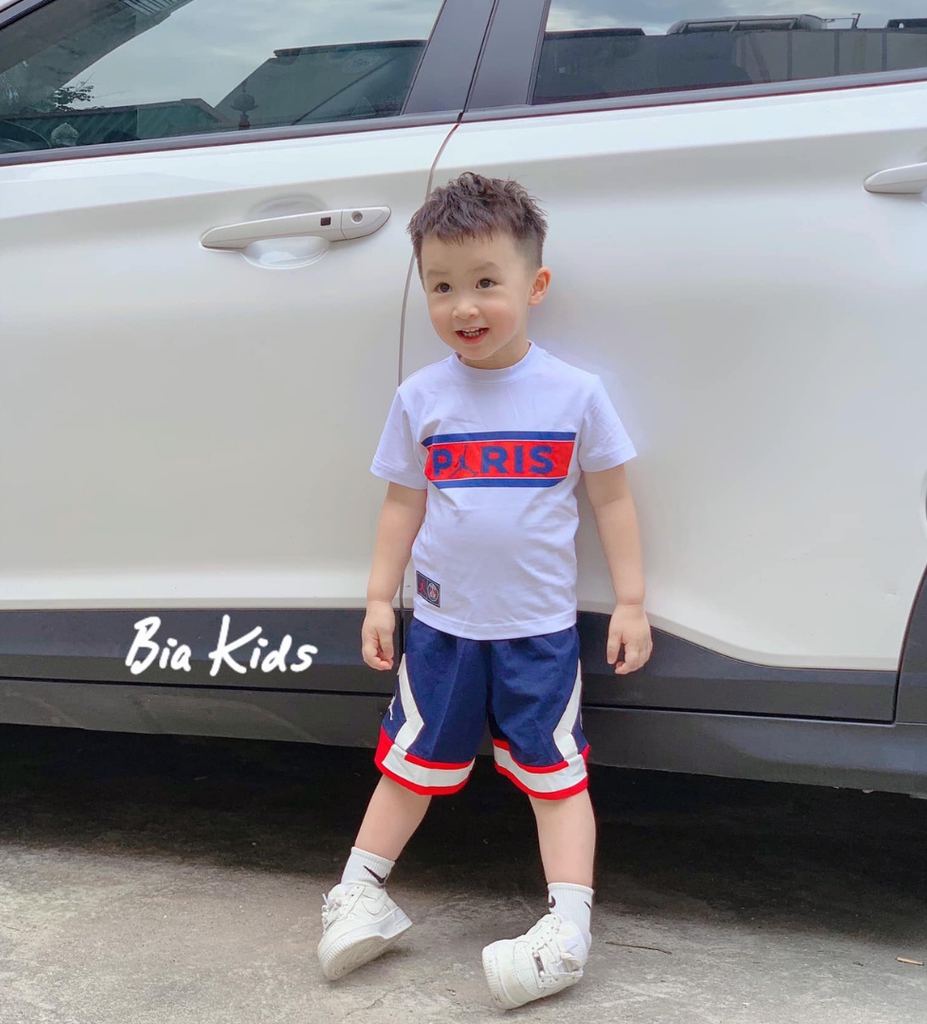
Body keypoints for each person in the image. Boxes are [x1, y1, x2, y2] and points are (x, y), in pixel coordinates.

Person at [317, 172, 652, 1008]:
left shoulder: (575, 394)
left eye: (485, 282)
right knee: (410, 761)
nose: (464, 306)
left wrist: (632, 602)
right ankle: (358, 892)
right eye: (441, 287)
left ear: (535, 286)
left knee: (555, 775)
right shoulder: (421, 397)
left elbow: (612, 500)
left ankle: (568, 927)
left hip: (540, 632)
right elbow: (402, 504)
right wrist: (378, 599)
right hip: (443, 628)